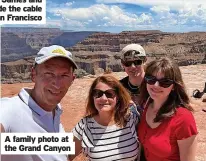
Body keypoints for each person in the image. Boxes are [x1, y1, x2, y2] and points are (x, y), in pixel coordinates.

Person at [0, 45, 78, 161]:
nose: (57, 84)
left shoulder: (54, 113)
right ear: (33, 75)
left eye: (64, 75)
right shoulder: (9, 110)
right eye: (49, 73)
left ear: (72, 79)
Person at [138, 58, 198, 161]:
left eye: (165, 82)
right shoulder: (146, 105)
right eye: (151, 79)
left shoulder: (183, 119)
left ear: (174, 86)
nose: (156, 85)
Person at [70, 75, 141, 161]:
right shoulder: (85, 126)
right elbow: (65, 155)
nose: (103, 98)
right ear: (93, 97)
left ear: (117, 97)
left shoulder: (130, 119)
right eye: (98, 93)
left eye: (109, 94)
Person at [120, 44, 147, 114]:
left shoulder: (155, 83)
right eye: (128, 63)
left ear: (144, 61)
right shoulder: (119, 87)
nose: (133, 67)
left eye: (137, 62)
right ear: (122, 64)